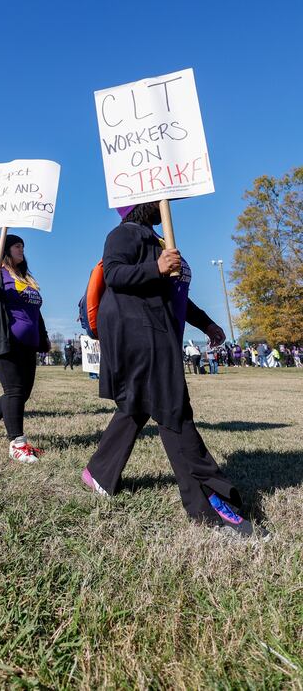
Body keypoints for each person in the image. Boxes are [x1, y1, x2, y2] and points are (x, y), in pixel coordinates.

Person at [81, 202, 267, 541]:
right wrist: (157, 266)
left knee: (138, 406)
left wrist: (207, 323)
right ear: (139, 205)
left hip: (160, 332)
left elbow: (177, 295)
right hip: (139, 333)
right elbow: (115, 274)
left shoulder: (159, 238)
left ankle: (98, 472)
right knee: (173, 410)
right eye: (156, 198)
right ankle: (208, 506)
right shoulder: (124, 234)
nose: (163, 203)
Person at [0, 234, 50, 463]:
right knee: (15, 390)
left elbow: (35, 311)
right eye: (17, 246)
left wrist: (44, 337)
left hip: (28, 343)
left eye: (23, 246)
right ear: (6, 249)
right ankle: (17, 444)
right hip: (4, 340)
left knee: (22, 392)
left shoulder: (26, 277)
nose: (22, 249)